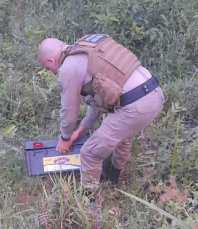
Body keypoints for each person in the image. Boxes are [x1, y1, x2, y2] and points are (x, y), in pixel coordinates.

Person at [38, 34, 165, 195]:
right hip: (154, 94)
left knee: (89, 153)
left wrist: (64, 138)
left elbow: (69, 110)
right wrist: (80, 131)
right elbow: (99, 102)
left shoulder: (68, 68)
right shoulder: (87, 48)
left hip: (136, 106)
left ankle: (89, 203)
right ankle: (114, 180)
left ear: (51, 61)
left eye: (48, 69)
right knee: (121, 134)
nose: (52, 71)